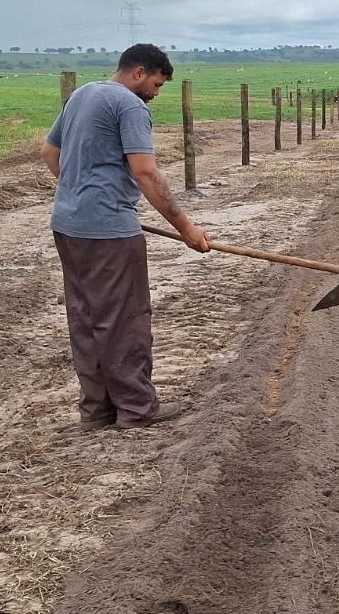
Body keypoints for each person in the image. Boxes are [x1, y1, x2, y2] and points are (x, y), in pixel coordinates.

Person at [42, 43, 211, 431]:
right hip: (109, 234)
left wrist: (80, 194)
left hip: (68, 225)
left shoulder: (82, 94)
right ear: (139, 72)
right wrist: (186, 228)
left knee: (86, 319)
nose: (155, 93)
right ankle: (136, 408)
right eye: (156, 83)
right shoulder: (130, 105)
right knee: (124, 320)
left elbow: (50, 153)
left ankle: (97, 412)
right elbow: (146, 174)